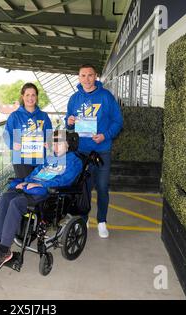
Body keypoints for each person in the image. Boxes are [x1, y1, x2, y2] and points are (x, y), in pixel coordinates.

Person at [0, 130, 83, 273]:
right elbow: (35, 174)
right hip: (31, 188)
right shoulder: (49, 159)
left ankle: (5, 250)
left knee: (15, 203)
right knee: (5, 198)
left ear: (68, 145)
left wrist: (41, 185)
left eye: (59, 143)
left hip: (48, 194)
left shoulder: (74, 161)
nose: (55, 146)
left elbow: (64, 180)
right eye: (53, 143)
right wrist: (24, 182)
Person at [65, 64, 123, 239]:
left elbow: (117, 121)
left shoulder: (106, 96)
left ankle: (102, 221)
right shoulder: (74, 98)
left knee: (103, 188)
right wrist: (69, 121)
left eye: (90, 75)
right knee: (84, 189)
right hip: (82, 153)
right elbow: (68, 123)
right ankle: (83, 219)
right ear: (79, 77)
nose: (87, 79)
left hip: (102, 151)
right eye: (83, 75)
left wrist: (105, 136)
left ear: (96, 76)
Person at [4, 82, 53, 179]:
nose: (30, 98)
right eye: (27, 95)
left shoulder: (43, 116)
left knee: (37, 187)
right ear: (22, 97)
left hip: (39, 159)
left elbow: (49, 134)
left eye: (33, 95)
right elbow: (6, 134)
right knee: (25, 187)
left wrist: (49, 142)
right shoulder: (15, 116)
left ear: (37, 97)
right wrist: (12, 144)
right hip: (21, 160)